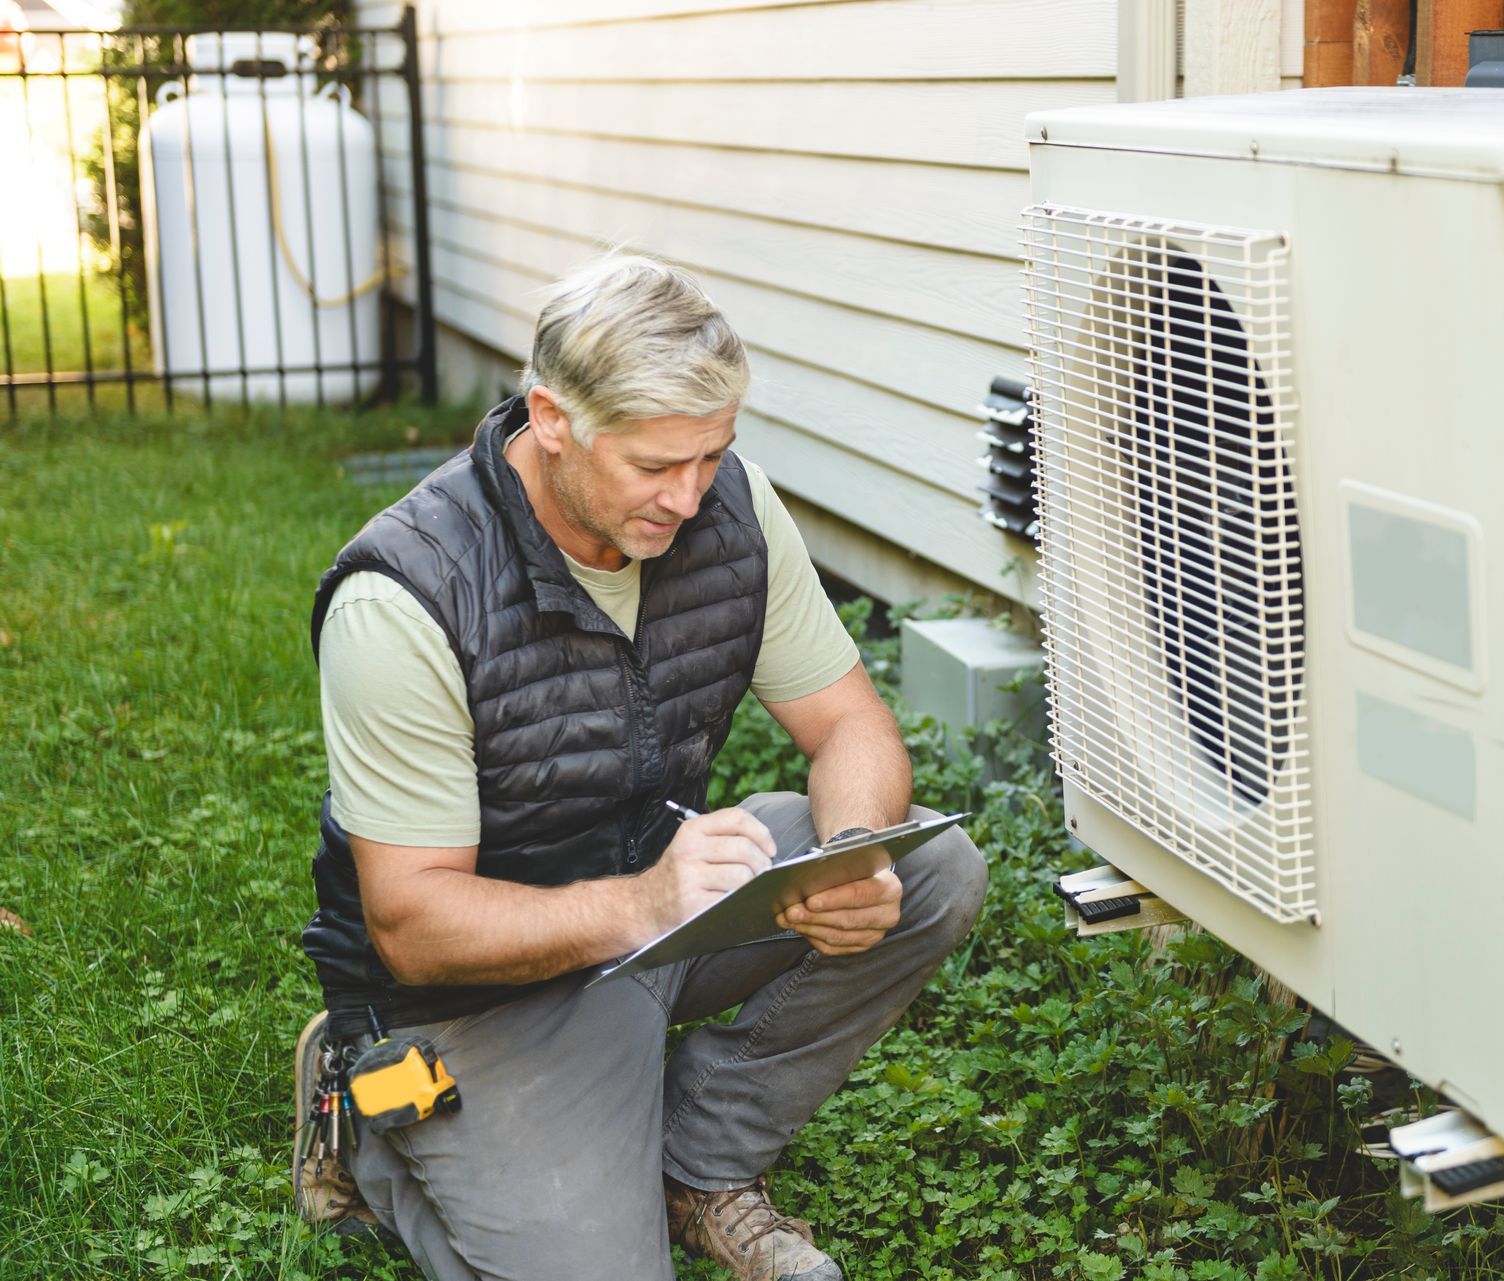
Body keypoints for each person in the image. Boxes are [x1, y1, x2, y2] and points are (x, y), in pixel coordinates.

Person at [294, 252, 988, 1281]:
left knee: (931, 869)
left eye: (711, 456)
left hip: (664, 915)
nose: (689, 494)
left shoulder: (728, 510)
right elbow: (413, 921)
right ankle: (367, 1113)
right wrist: (643, 903)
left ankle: (701, 1167)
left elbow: (852, 728)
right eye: (655, 466)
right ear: (552, 418)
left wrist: (847, 858)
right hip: (471, 995)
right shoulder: (406, 595)